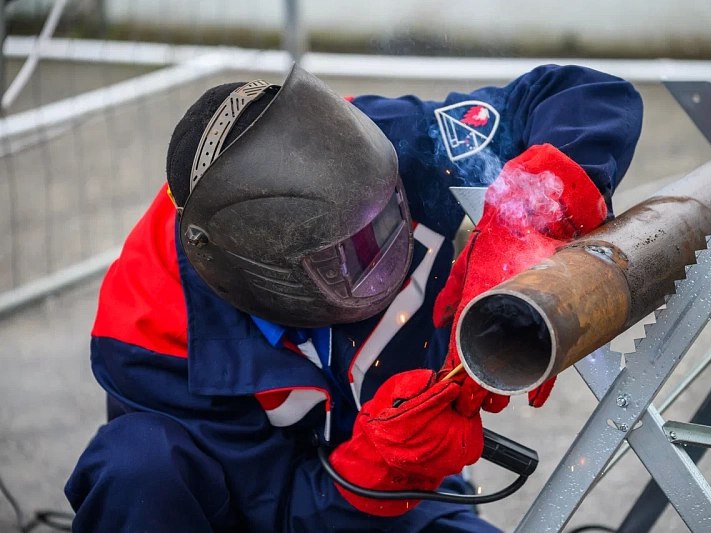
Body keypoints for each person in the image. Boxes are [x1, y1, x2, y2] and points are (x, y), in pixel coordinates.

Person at [65, 63, 643, 532]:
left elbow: (584, 93)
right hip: (243, 503)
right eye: (351, 254)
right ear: (257, 270)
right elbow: (280, 512)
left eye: (389, 214)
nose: (389, 257)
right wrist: (376, 469)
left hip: (406, 491)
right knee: (136, 469)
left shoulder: (389, 141)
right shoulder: (149, 330)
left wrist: (535, 210)